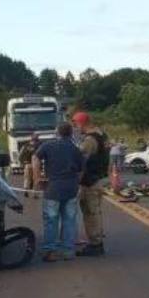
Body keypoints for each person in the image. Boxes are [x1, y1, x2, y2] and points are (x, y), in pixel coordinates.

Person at [36, 122, 85, 262]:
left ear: (57, 133)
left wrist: (38, 177)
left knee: (51, 220)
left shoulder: (48, 146)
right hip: (71, 189)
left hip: (53, 188)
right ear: (70, 134)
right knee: (69, 220)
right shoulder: (76, 149)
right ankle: (68, 251)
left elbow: (35, 158)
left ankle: (50, 251)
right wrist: (75, 182)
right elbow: (81, 171)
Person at [72, 111, 110, 257]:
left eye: (75, 124)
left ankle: (95, 244)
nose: (75, 127)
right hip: (99, 177)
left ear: (81, 123)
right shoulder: (102, 134)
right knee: (95, 211)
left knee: (90, 212)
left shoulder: (90, 140)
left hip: (91, 180)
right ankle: (96, 240)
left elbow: (81, 160)